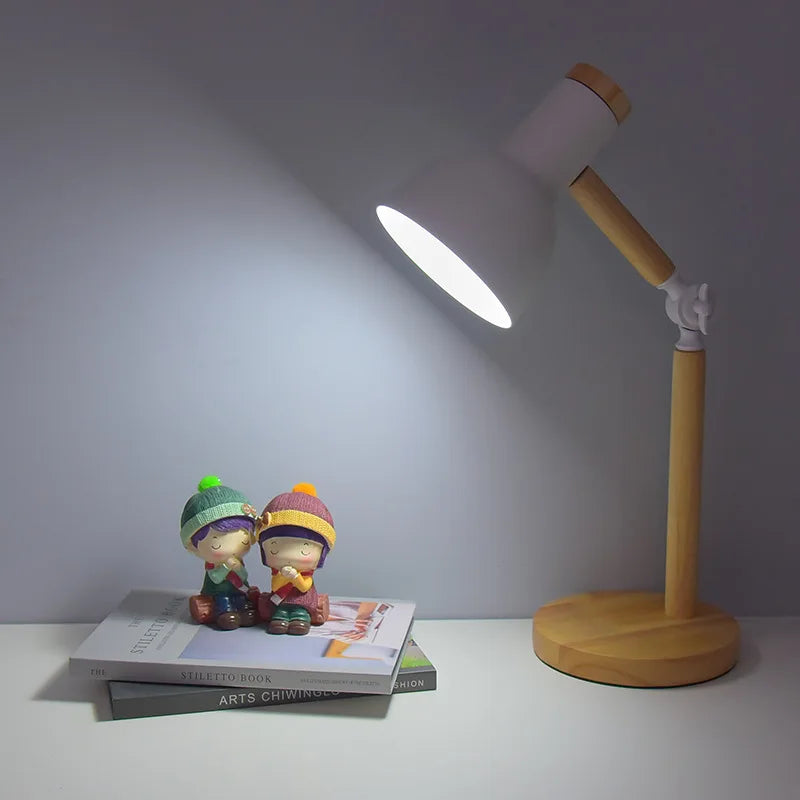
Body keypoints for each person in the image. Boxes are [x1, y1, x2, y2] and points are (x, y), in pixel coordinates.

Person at [180, 475, 259, 630]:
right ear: (193, 545)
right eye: (216, 544)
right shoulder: (212, 564)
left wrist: (238, 568)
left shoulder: (238, 561)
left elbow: (244, 577)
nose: (231, 549)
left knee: (243, 602)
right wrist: (226, 567)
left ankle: (242, 612)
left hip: (239, 591)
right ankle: (225, 613)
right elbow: (215, 578)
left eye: (244, 541)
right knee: (224, 602)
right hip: (218, 593)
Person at [257, 483, 336, 635]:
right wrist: (283, 577)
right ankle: (281, 618)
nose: (288, 556)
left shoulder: (306, 575)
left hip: (302, 603)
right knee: (280, 615)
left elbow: (304, 587)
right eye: (275, 548)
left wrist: (295, 577)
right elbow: (275, 586)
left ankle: (300, 618)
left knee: (300, 614)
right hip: (281, 603)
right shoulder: (277, 572)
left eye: (305, 549)